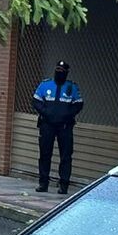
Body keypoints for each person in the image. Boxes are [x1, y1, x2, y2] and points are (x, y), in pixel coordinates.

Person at [31, 60, 83, 195]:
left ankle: (63, 185)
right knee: (45, 154)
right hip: (47, 125)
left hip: (65, 126)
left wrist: (66, 115)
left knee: (65, 156)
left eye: (62, 71)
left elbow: (78, 104)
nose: (59, 73)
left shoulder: (71, 87)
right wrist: (47, 113)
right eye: (57, 70)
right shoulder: (45, 85)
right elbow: (36, 101)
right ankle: (43, 183)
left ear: (66, 73)